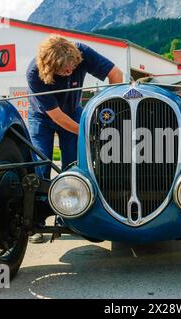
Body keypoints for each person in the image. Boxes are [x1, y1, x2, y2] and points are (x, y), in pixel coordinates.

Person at [26, 35, 123, 243]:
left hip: (72, 110)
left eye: (73, 67)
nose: (70, 72)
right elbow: (57, 116)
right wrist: (87, 131)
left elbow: (116, 74)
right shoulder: (34, 72)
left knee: (72, 163)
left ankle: (67, 214)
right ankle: (35, 221)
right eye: (64, 70)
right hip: (44, 116)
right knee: (40, 164)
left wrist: (110, 109)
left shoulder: (81, 52)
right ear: (50, 67)